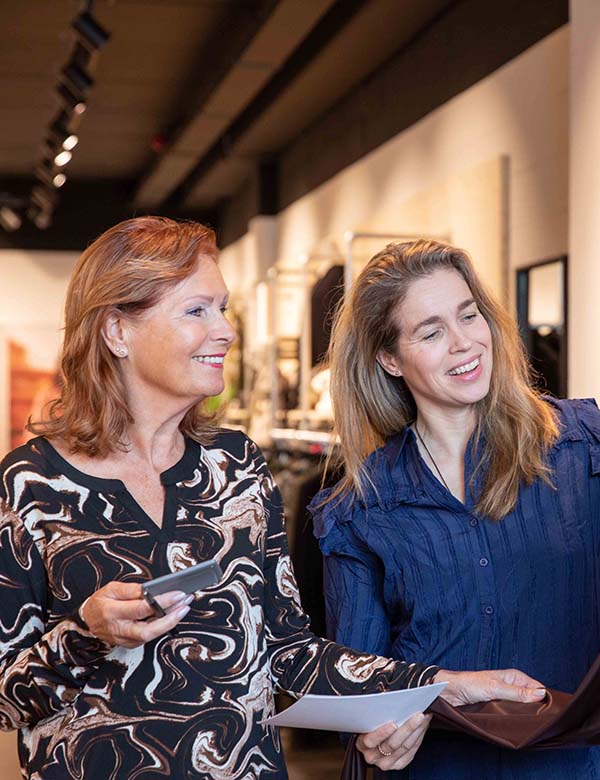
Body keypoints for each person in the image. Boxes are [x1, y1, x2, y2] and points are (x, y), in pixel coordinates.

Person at [0, 219, 546, 780]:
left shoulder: (237, 466)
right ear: (117, 330)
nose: (225, 331)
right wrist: (86, 634)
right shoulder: (31, 484)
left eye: (222, 309)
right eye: (197, 311)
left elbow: (289, 653)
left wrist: (441, 686)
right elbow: (3, 702)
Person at [309, 238, 600, 779]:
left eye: (469, 316)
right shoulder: (361, 509)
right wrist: (379, 731)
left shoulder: (581, 449)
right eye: (431, 332)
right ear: (389, 359)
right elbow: (359, 686)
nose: (464, 343)